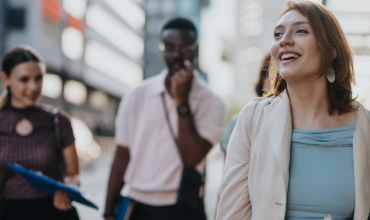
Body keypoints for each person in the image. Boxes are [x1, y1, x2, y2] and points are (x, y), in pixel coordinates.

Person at [216, 1, 370, 220]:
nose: (284, 40)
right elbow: (231, 214)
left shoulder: (365, 126)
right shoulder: (252, 118)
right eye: (278, 34)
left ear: (332, 49)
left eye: (301, 31)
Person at [104, 18, 225, 220]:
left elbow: (192, 157)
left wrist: (182, 100)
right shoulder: (136, 95)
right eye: (169, 47)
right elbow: (122, 156)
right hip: (139, 206)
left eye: (184, 47)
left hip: (186, 207)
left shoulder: (212, 102)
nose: (176, 54)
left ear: (196, 50)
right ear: (161, 50)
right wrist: (108, 210)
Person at [0, 46, 80, 220]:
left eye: (39, 78)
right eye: (24, 79)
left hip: (53, 212)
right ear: (5, 79)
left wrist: (65, 190)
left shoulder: (58, 121)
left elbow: (73, 174)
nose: (33, 87)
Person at [220, 53, 271, 153]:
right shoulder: (238, 123)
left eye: (280, 76)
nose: (274, 82)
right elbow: (229, 167)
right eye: (268, 74)